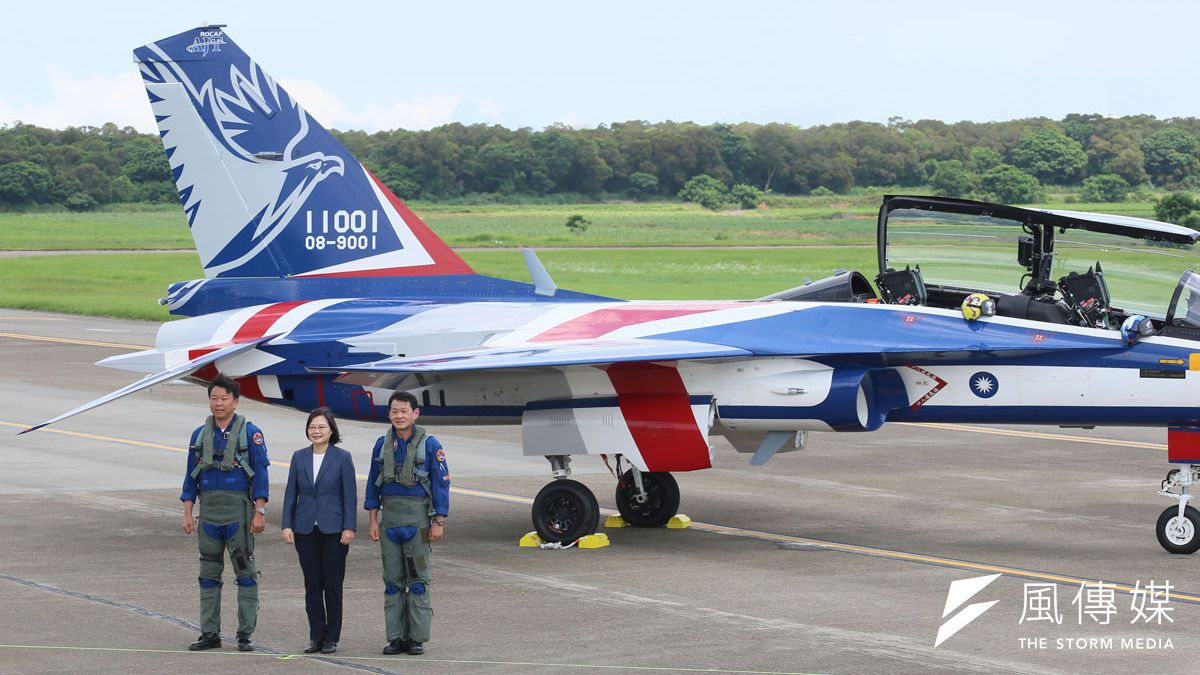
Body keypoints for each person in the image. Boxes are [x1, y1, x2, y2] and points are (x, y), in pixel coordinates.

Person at [181, 374, 270, 652]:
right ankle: (209, 633)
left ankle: (245, 635)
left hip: (238, 514)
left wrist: (260, 511)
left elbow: (262, 476)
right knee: (208, 575)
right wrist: (187, 513)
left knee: (245, 573)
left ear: (235, 402)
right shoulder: (199, 435)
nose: (218, 403)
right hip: (208, 514)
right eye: (213, 398)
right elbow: (190, 478)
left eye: (223, 398)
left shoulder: (250, 433)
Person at [365, 391, 450, 656]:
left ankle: (416, 638)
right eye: (394, 411)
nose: (399, 416)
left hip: (418, 524)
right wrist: (372, 521)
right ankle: (395, 637)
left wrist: (439, 521)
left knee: (418, 581)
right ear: (388, 414)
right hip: (390, 522)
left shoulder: (431, 445)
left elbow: (441, 485)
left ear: (415, 414)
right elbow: (372, 485)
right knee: (392, 582)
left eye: (404, 411)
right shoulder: (382, 445)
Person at [281, 407, 357, 655]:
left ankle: (331, 637)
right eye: (312, 427)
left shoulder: (342, 457)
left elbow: (350, 496)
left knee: (332, 584)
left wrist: (349, 526)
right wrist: (287, 524)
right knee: (312, 584)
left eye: (321, 427)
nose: (316, 431)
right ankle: (316, 635)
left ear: (331, 430)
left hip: (334, 528)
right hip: (305, 528)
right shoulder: (299, 457)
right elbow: (291, 493)